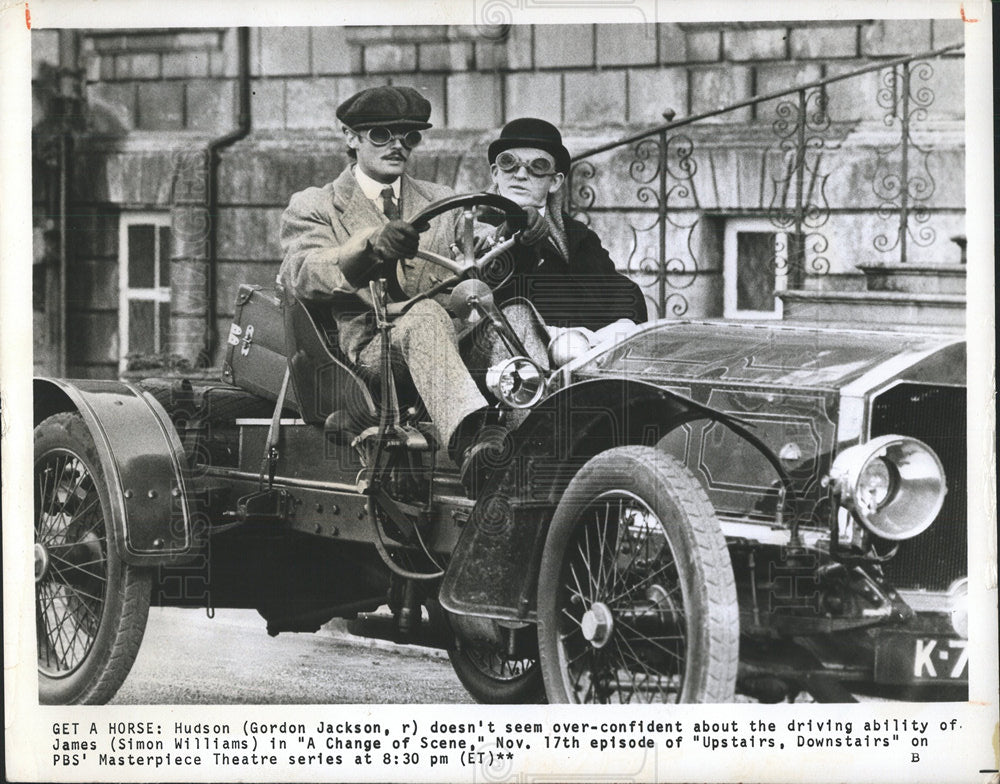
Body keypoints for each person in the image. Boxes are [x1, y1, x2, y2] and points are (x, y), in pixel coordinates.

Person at [278, 85, 501, 495]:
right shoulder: (316, 205)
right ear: (351, 137)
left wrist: (509, 233)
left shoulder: (440, 200)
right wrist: (368, 246)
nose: (397, 145)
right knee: (426, 315)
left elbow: (479, 238)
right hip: (372, 352)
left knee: (514, 313)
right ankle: (474, 444)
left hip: (448, 342)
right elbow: (303, 272)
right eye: (381, 135)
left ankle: (537, 439)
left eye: (409, 136)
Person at [483, 117, 648, 337]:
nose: (520, 174)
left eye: (537, 167)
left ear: (555, 182)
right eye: (508, 162)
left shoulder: (578, 235)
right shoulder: (473, 227)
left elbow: (623, 292)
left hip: (587, 353)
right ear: (495, 172)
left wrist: (615, 329)